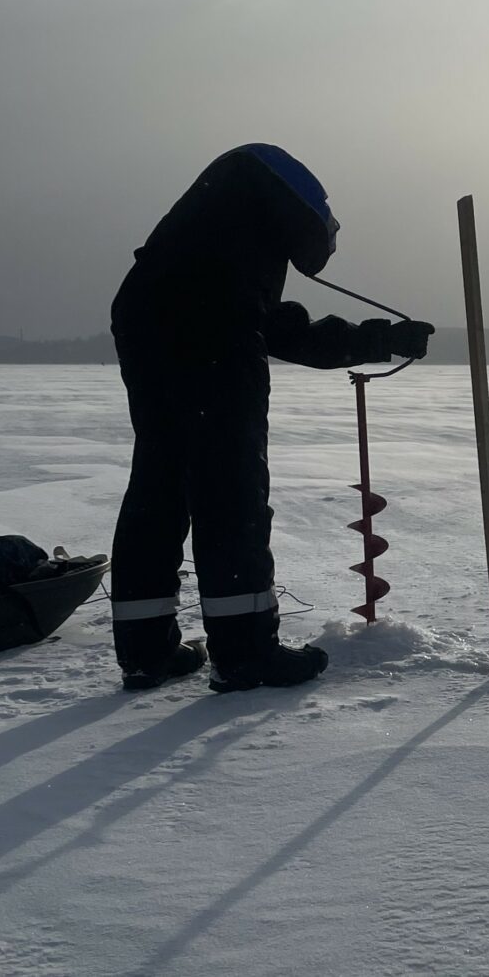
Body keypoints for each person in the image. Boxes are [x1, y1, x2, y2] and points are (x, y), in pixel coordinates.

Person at [108, 144, 433, 692]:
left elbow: (275, 323)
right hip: (203, 341)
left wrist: (376, 339)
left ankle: (146, 651)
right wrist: (383, 339)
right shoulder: (240, 239)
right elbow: (273, 324)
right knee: (228, 489)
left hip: (145, 323)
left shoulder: (215, 235)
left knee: (160, 485)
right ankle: (246, 653)